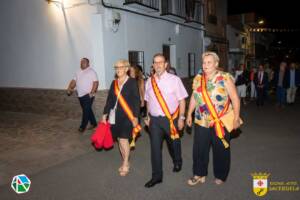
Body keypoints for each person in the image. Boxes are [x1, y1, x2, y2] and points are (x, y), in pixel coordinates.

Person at [186, 51, 241, 186]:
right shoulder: (198, 79)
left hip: (220, 121)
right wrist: (189, 114)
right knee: (199, 149)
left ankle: (221, 175)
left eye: (209, 62)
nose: (205, 65)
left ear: (216, 64)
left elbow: (235, 98)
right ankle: (199, 174)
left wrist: (236, 117)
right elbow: (194, 97)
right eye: (204, 62)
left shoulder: (225, 78)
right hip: (201, 120)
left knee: (221, 149)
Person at [144, 53, 188, 188]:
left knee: (173, 143)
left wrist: (181, 118)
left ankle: (177, 160)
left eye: (160, 62)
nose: (157, 65)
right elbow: (148, 100)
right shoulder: (149, 81)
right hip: (155, 121)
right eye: (155, 62)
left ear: (165, 64)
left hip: (171, 119)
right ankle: (157, 176)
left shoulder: (175, 80)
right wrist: (147, 116)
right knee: (155, 149)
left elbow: (182, 100)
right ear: (153, 65)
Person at [101, 59, 140, 176]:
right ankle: (125, 160)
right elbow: (109, 100)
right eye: (116, 67)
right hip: (114, 116)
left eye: (120, 67)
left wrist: (136, 117)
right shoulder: (114, 83)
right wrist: (104, 114)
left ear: (126, 69)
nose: (118, 69)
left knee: (123, 139)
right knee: (119, 139)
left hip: (128, 116)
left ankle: (125, 163)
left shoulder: (132, 82)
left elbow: (136, 100)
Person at [67, 58, 99, 132]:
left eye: (84, 62)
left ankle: (82, 126)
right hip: (80, 95)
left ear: (88, 64)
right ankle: (94, 124)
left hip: (88, 95)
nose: (82, 63)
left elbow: (96, 82)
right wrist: (69, 88)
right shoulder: (78, 71)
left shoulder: (91, 71)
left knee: (85, 111)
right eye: (81, 62)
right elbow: (74, 81)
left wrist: (92, 92)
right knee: (88, 110)